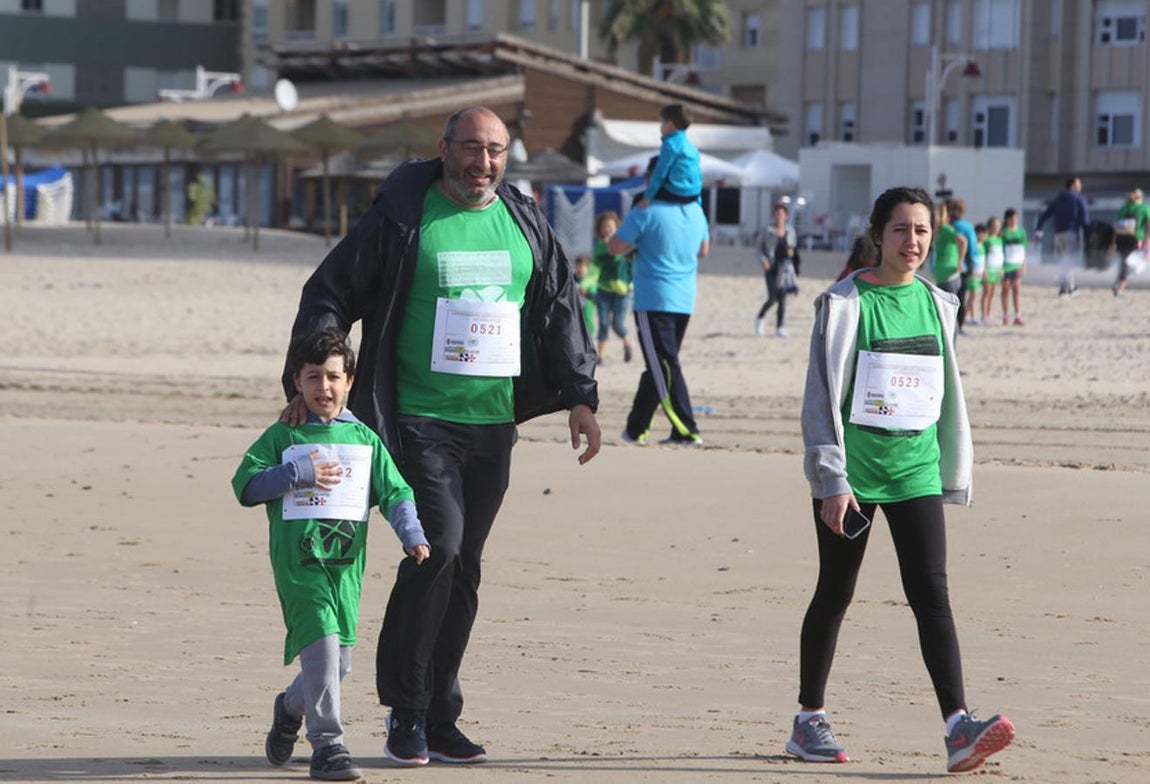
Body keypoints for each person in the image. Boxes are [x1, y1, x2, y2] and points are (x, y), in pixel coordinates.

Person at [281, 106, 601, 767]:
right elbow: (329, 292)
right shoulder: (404, 216)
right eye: (472, 148)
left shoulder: (524, 221)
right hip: (418, 420)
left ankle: (438, 713)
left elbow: (560, 305)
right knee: (439, 549)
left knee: (465, 565)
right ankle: (406, 708)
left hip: (492, 424)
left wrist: (580, 395)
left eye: (496, 151)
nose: (483, 162)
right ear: (445, 148)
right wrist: (310, 380)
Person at [789, 186, 1015, 774]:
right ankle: (809, 719)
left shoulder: (939, 303)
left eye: (921, 230)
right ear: (877, 234)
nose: (911, 241)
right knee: (835, 591)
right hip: (853, 478)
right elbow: (819, 399)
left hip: (916, 472)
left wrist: (950, 466)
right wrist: (831, 479)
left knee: (932, 595)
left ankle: (959, 726)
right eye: (900, 229)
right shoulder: (844, 302)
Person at [234, 329, 430, 781]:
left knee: (337, 663)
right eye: (313, 377)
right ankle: (328, 745)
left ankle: (290, 708)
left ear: (349, 381)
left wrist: (411, 532)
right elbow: (246, 485)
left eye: (333, 376)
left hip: (346, 569)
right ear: (297, 382)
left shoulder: (364, 440)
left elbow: (396, 492)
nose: (324, 386)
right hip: (300, 566)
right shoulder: (284, 435)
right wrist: (295, 472)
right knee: (321, 646)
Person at [608, 156, 710, 446]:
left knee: (665, 365)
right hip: (684, 298)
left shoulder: (646, 209)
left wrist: (639, 246)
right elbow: (703, 249)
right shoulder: (696, 209)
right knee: (660, 363)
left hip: (654, 298)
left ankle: (686, 429)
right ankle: (636, 429)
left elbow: (615, 246)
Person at [591, 210, 635, 363]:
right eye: (604, 226)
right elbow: (595, 265)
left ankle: (627, 343)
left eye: (610, 226)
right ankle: (600, 356)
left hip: (623, 291)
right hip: (604, 289)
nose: (607, 229)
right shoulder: (599, 247)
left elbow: (626, 262)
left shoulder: (625, 244)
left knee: (617, 324)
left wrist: (614, 245)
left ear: (617, 228)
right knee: (603, 323)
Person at [1036, 176, 1089, 296]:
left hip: (1058, 234)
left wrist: (1039, 228)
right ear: (1072, 185)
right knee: (1069, 260)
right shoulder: (1079, 198)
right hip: (1071, 233)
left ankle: (1069, 286)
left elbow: (1046, 214)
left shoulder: (1058, 198)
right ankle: (1067, 288)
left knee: (1063, 260)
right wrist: (1088, 233)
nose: (1080, 187)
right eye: (1078, 184)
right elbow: (1084, 218)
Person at [643, 103, 703, 206]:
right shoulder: (691, 147)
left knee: (638, 198)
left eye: (662, 122)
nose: (661, 126)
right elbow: (697, 175)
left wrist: (647, 197)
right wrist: (698, 203)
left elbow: (660, 171)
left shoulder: (670, 144)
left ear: (670, 124)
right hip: (694, 194)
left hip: (678, 192)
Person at [754, 201, 799, 338]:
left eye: (781, 213)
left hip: (784, 269)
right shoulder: (767, 230)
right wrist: (763, 260)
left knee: (782, 298)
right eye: (777, 213)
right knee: (772, 297)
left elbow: (794, 248)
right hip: (771, 267)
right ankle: (760, 316)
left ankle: (779, 328)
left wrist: (791, 252)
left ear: (786, 216)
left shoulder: (790, 231)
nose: (779, 216)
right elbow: (759, 247)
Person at [929, 200, 967, 335]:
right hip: (942, 275)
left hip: (949, 276)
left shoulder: (946, 229)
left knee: (949, 314)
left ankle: (952, 341)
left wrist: (960, 261)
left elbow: (962, 241)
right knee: (946, 314)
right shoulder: (939, 231)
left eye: (934, 215)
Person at [1112, 187, 1150, 297]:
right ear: (1141, 197)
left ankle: (1119, 283)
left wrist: (1113, 241)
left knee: (1125, 261)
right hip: (1136, 239)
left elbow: (1115, 226)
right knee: (1134, 262)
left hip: (1121, 239)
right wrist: (1146, 239)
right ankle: (1120, 285)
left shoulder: (1124, 208)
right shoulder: (1145, 208)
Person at [947, 199, 978, 331]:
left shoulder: (946, 226)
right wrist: (974, 265)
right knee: (961, 297)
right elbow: (972, 248)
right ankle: (959, 326)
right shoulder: (966, 226)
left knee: (947, 298)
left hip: (947, 266)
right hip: (963, 266)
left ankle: (948, 325)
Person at [1000, 208, 1028, 325]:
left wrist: (1024, 264)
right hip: (1006, 263)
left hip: (1017, 263)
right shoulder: (1003, 232)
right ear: (1007, 219)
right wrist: (1001, 266)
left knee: (1016, 289)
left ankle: (1018, 315)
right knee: (1005, 289)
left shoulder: (1021, 232)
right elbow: (1000, 249)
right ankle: (1005, 315)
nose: (1014, 220)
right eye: (1011, 218)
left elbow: (1023, 248)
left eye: (1015, 218)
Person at [980, 215, 1005, 325]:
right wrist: (984, 269)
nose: (996, 228)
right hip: (988, 269)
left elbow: (1001, 255)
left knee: (992, 293)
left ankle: (989, 314)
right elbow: (983, 255)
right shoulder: (987, 240)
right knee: (986, 292)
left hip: (997, 269)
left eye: (998, 226)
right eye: (994, 226)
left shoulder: (1000, 240)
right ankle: (984, 315)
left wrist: (1001, 269)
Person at [964, 222, 987, 325]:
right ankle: (966, 315)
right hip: (973, 275)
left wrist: (983, 272)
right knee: (972, 296)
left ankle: (971, 316)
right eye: (982, 234)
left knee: (973, 296)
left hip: (979, 274)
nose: (984, 236)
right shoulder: (974, 246)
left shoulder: (983, 246)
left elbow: (983, 261)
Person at [573, 253, 598, 336]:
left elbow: (596, 297)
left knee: (587, 321)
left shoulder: (590, 282)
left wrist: (586, 293)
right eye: (576, 267)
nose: (578, 269)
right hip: (575, 307)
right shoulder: (572, 280)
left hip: (587, 307)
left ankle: (589, 336)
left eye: (581, 267)